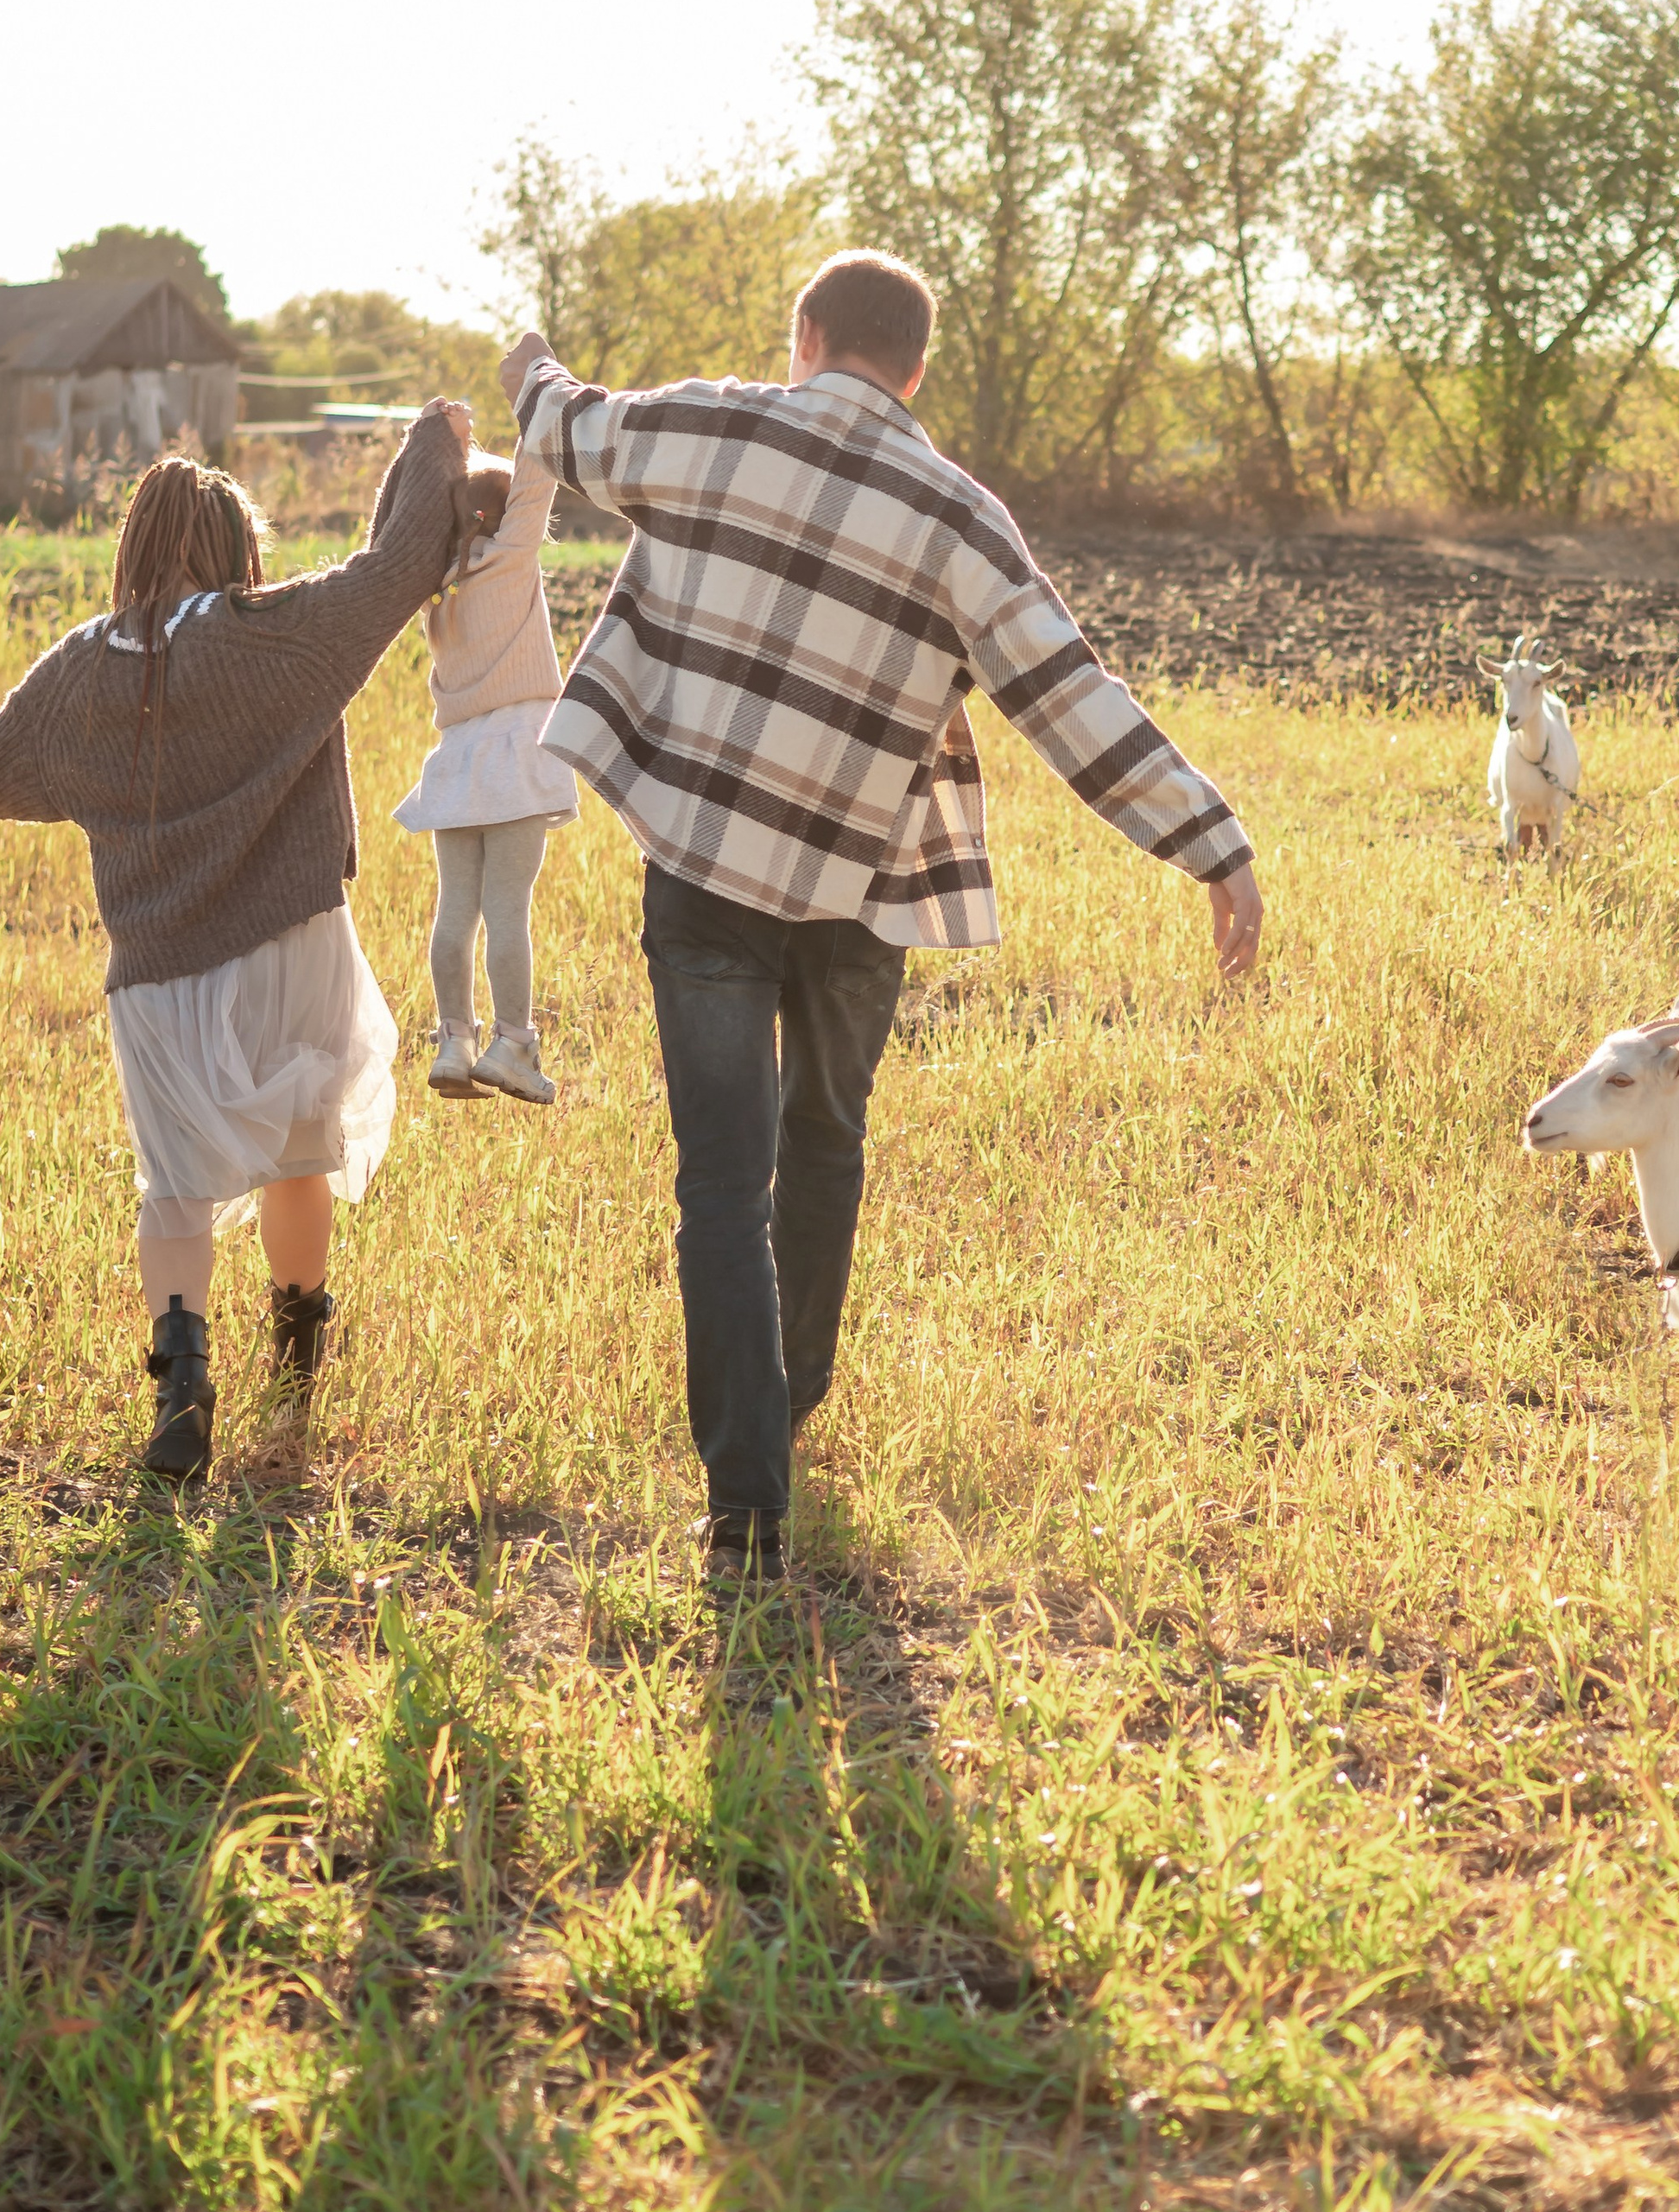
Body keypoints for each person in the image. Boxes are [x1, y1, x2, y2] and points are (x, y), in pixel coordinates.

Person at [500, 250, 1263, 1583]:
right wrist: (1212, 844)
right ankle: (789, 1402)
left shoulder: (718, 422)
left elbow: (567, 426)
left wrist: (527, 361)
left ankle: (747, 1499)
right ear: (914, 369)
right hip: (864, 884)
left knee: (721, 1181)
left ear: (804, 335)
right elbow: (1071, 697)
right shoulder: (962, 515)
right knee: (827, 1135)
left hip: (705, 867)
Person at [0, 410, 470, 1483]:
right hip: (293, 946)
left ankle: (181, 1383)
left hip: (157, 978)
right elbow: (399, 564)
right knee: (300, 1157)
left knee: (174, 1188)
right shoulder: (279, 631)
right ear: (238, 548)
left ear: (132, 548)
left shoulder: (75, 669)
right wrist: (433, 438)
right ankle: (297, 1353)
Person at [394, 436, 578, 1103]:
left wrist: (441, 448)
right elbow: (537, 478)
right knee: (508, 912)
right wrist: (533, 390)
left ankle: (453, 1039)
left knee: (455, 913)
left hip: (456, 762)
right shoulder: (513, 556)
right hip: (515, 756)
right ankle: (514, 1045)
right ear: (504, 517)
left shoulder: (438, 587)